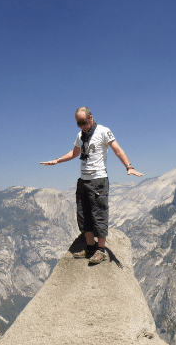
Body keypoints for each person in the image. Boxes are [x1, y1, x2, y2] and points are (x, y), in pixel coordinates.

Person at [40, 107, 144, 264]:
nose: (81, 126)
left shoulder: (103, 131)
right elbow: (75, 153)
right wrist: (58, 160)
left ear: (91, 117)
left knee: (99, 214)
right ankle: (90, 247)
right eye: (78, 123)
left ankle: (101, 250)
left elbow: (116, 149)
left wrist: (129, 167)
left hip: (98, 180)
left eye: (83, 122)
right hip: (83, 180)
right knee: (83, 215)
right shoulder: (80, 135)